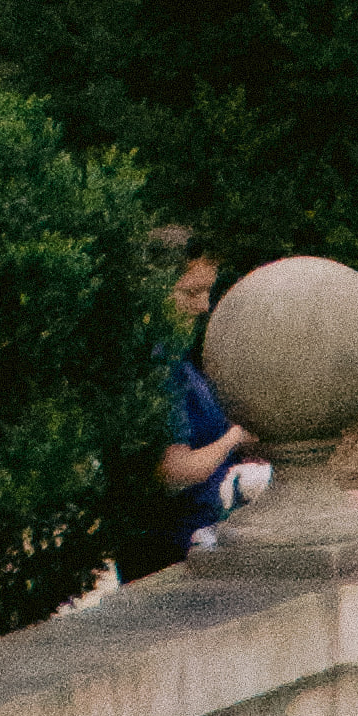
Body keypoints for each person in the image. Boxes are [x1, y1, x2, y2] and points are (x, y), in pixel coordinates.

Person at [106, 246, 270, 586]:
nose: (204, 306)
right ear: (153, 289)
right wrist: (234, 437)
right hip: (174, 555)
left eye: (207, 292)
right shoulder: (152, 369)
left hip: (202, 539)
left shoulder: (175, 358)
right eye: (191, 293)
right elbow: (177, 471)